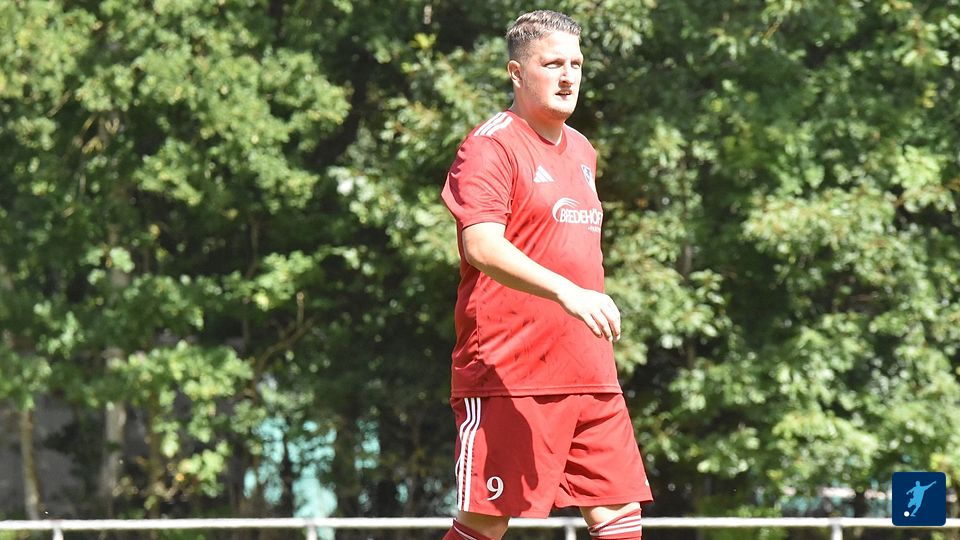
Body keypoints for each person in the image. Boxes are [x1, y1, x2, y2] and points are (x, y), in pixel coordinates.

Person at [440, 10, 653, 540]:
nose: (568, 76)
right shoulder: (490, 145)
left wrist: (580, 299)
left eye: (576, 64)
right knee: (485, 523)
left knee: (620, 518)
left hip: (589, 370)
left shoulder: (582, 150)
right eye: (553, 64)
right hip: (511, 372)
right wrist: (566, 292)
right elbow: (481, 245)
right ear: (516, 73)